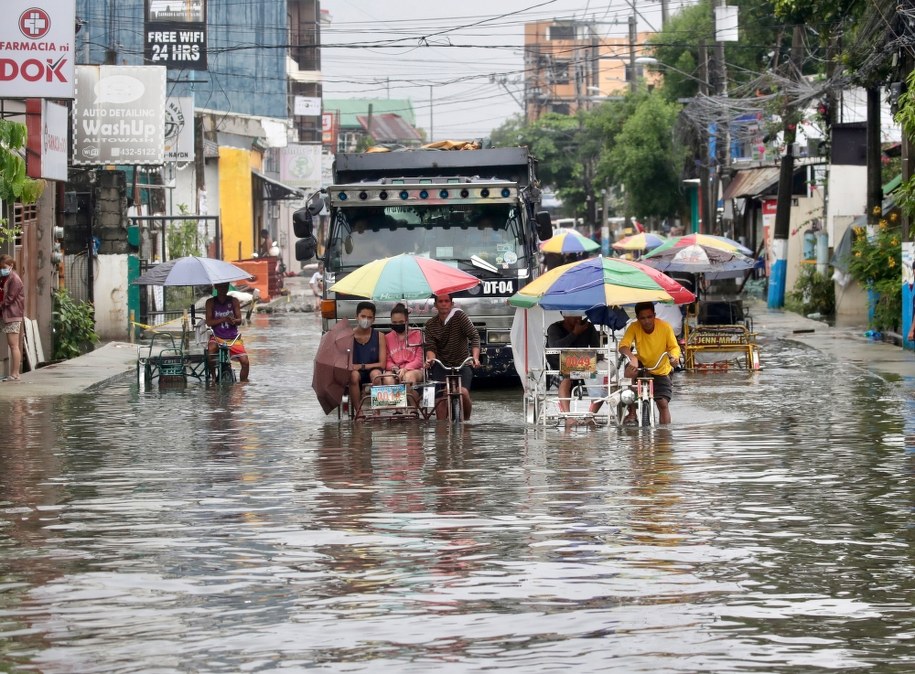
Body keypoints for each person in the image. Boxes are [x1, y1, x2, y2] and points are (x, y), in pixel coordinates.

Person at [618, 301, 681, 425]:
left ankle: (664, 437)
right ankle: (632, 412)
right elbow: (623, 346)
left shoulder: (665, 327)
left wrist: (674, 358)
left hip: (660, 367)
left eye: (649, 317)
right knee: (629, 371)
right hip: (641, 364)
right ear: (638, 318)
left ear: (654, 315)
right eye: (642, 318)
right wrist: (632, 358)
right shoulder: (634, 327)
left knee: (663, 404)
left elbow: (674, 347)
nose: (646, 321)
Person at [424, 293, 480, 419]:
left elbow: (474, 337)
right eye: (440, 301)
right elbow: (430, 347)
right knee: (440, 397)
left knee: (463, 392)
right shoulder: (430, 324)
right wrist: (431, 360)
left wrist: (475, 358)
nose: (444, 304)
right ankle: (441, 430)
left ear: (452, 303)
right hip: (441, 365)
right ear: (435, 305)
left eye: (447, 301)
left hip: (462, 363)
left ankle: (466, 423)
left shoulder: (459, 316)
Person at [546, 311, 602, 415]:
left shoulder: (588, 327)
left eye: (579, 314)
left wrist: (586, 360)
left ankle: (591, 415)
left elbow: (598, 350)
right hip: (560, 366)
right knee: (567, 378)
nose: (578, 318)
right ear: (564, 315)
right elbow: (555, 348)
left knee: (603, 381)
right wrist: (575, 333)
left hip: (584, 365)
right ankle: (568, 416)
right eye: (573, 315)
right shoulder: (554, 328)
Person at [349, 301, 387, 418]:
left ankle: (377, 411)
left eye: (370, 317)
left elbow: (382, 363)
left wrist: (362, 366)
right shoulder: (349, 336)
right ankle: (359, 412)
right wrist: (357, 368)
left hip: (373, 370)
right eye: (363, 316)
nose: (366, 320)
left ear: (374, 319)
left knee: (376, 375)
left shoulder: (379, 336)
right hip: (355, 372)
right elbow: (347, 362)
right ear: (356, 317)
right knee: (353, 376)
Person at [205, 282, 250, 382]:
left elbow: (239, 320)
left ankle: (243, 383)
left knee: (245, 362)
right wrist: (223, 319)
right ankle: (213, 377)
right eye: (220, 286)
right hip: (217, 338)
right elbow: (208, 322)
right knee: (210, 351)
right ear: (216, 287)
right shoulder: (210, 302)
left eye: (225, 286)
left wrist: (234, 321)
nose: (223, 289)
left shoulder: (234, 301)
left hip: (233, 338)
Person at [384, 303, 424, 388]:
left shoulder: (417, 334)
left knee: (408, 378)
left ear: (407, 320)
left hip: (415, 370)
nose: (398, 324)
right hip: (395, 370)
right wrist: (394, 368)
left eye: (401, 322)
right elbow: (387, 360)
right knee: (388, 379)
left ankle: (410, 400)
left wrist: (406, 369)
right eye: (394, 322)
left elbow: (419, 360)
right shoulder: (387, 338)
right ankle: (393, 401)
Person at [0, 255, 24, 382]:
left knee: (13, 345)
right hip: (7, 314)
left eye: (4, 267)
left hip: (13, 315)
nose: (2, 269)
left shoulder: (15, 279)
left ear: (11, 265)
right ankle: (14, 374)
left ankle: (15, 374)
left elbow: (9, 298)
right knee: (12, 344)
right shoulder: (6, 277)